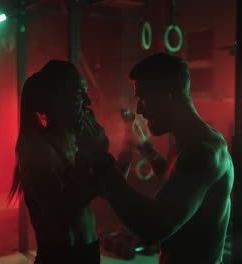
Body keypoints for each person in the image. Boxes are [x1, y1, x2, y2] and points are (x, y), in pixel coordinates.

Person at [93, 53, 234, 264]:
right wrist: (144, 147)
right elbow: (177, 180)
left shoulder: (204, 152)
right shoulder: (188, 143)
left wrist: (103, 166)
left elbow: (154, 227)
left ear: (167, 96)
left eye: (143, 99)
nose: (139, 110)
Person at [8, 60, 108, 264]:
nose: (88, 100)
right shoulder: (37, 149)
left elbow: (101, 188)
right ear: (57, 99)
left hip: (86, 253)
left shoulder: (73, 141)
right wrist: (92, 152)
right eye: (80, 93)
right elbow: (62, 214)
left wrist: (126, 148)